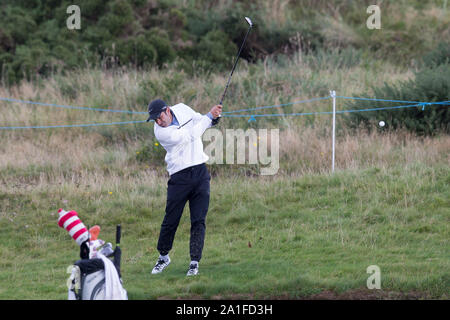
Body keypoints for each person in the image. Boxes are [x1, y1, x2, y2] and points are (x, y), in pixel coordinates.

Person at [146, 99, 222, 276]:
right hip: (179, 177)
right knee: (171, 220)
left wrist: (213, 118)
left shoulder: (182, 108)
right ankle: (163, 257)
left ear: (168, 110)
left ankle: (194, 262)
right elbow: (191, 135)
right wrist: (209, 117)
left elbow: (198, 120)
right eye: (155, 119)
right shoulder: (162, 133)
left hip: (200, 172)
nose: (158, 121)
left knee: (198, 220)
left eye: (159, 117)